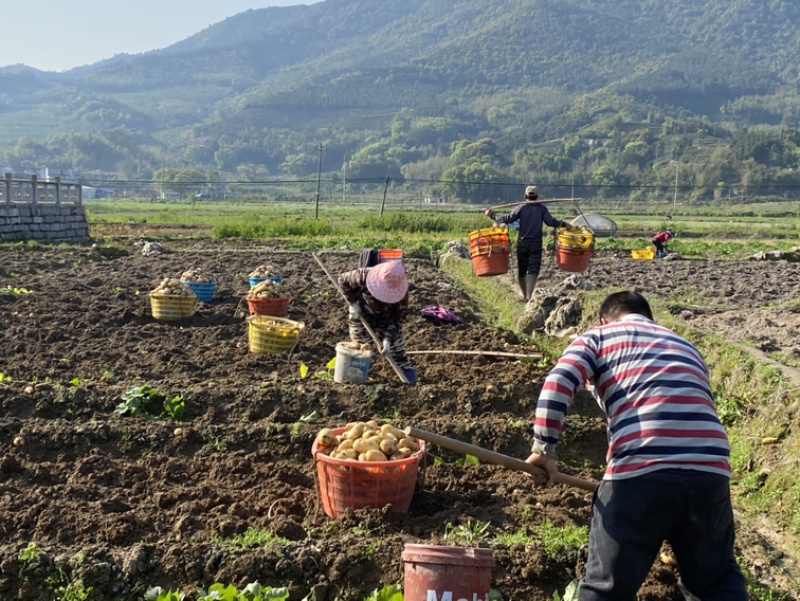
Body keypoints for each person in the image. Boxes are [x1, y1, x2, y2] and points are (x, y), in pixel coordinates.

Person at [526, 291, 747, 601]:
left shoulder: (598, 337)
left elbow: (560, 380)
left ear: (604, 319)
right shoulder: (686, 346)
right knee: (715, 584)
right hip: (709, 471)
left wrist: (544, 448)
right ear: (650, 319)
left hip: (641, 467)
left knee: (606, 589)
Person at [485, 185, 573, 301]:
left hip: (523, 243)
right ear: (537, 196)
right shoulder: (541, 209)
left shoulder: (520, 208)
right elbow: (550, 222)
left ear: (525, 196)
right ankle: (529, 295)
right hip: (536, 243)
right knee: (533, 269)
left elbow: (506, 219)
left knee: (522, 270)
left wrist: (492, 215)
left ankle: (525, 294)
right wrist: (566, 225)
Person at [338, 260, 416, 384]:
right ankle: (357, 381)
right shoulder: (362, 276)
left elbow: (398, 318)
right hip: (361, 316)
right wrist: (352, 303)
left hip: (387, 321)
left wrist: (387, 339)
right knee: (360, 351)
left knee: (398, 351)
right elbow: (342, 280)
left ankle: (409, 381)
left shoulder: (402, 293)